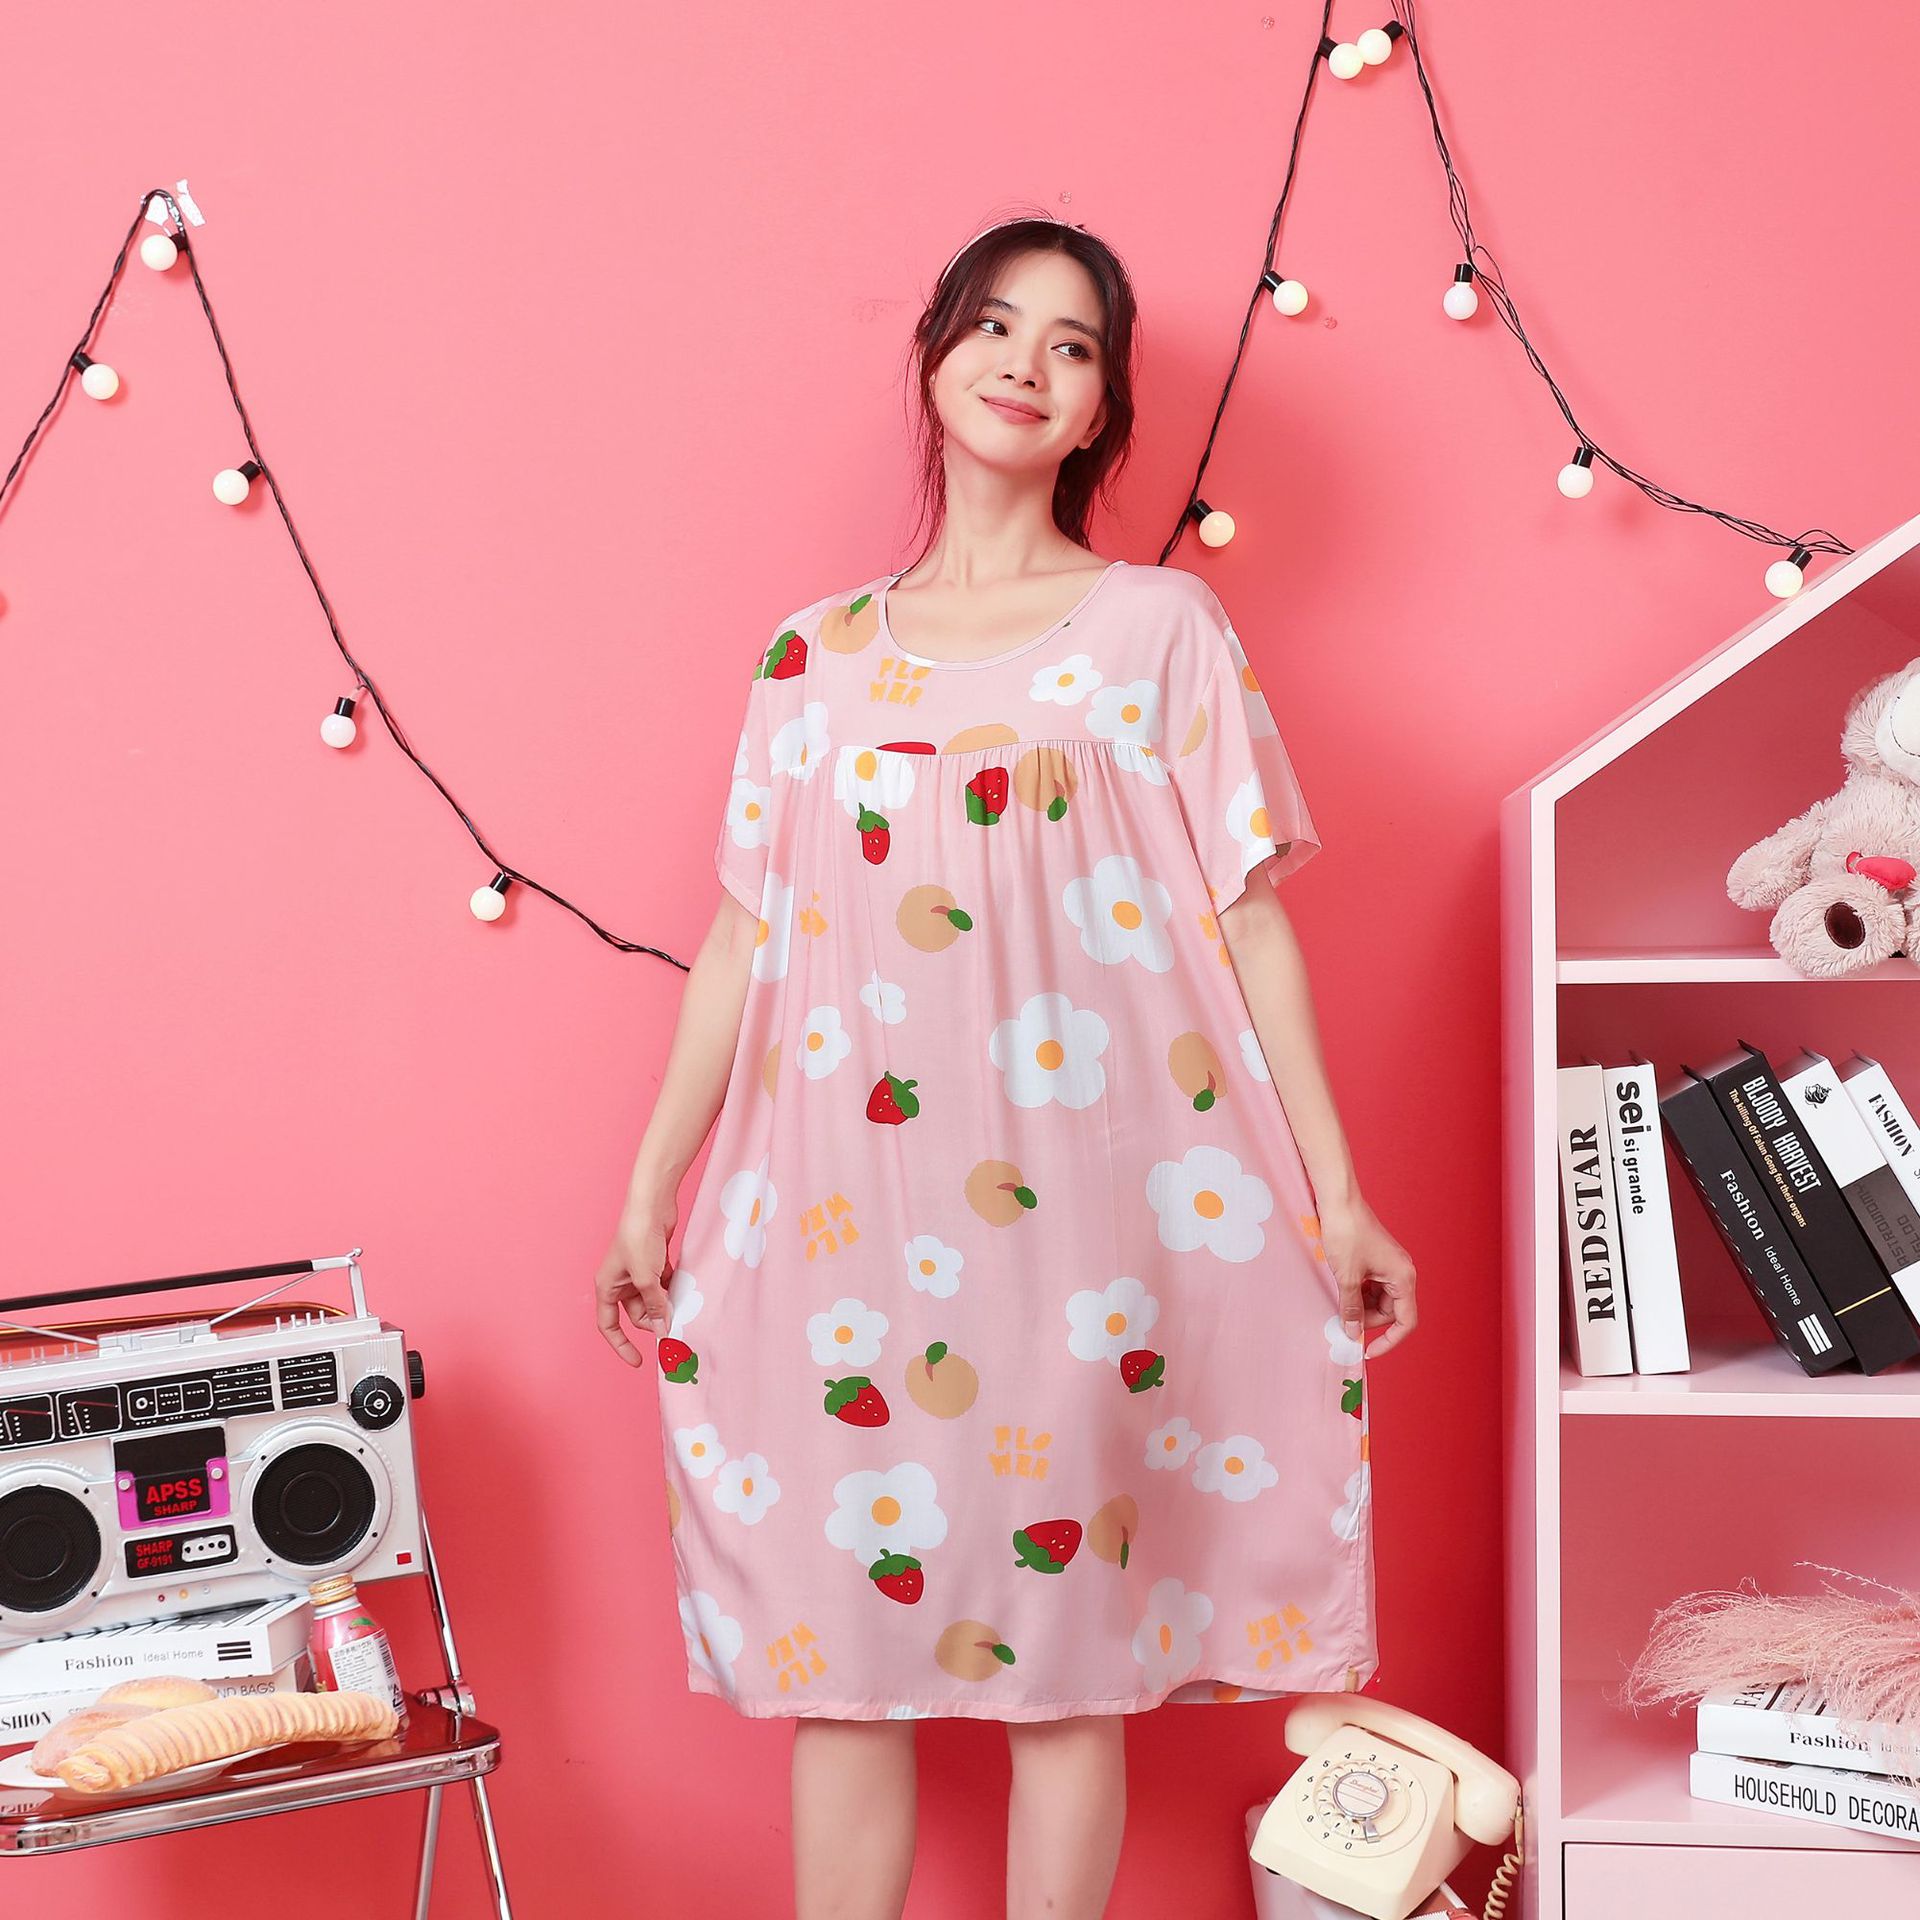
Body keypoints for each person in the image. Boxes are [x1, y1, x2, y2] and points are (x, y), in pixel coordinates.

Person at [595, 211, 1420, 1920]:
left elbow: (1248, 923)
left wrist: (1339, 1197)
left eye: (1072, 344)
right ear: (934, 353)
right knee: (841, 1658)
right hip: (839, 1221)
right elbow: (744, 937)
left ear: (1102, 407)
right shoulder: (809, 656)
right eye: (994, 325)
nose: (1026, 365)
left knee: (1066, 1656)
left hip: (1082, 1229)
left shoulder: (1156, 629)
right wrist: (650, 1187)